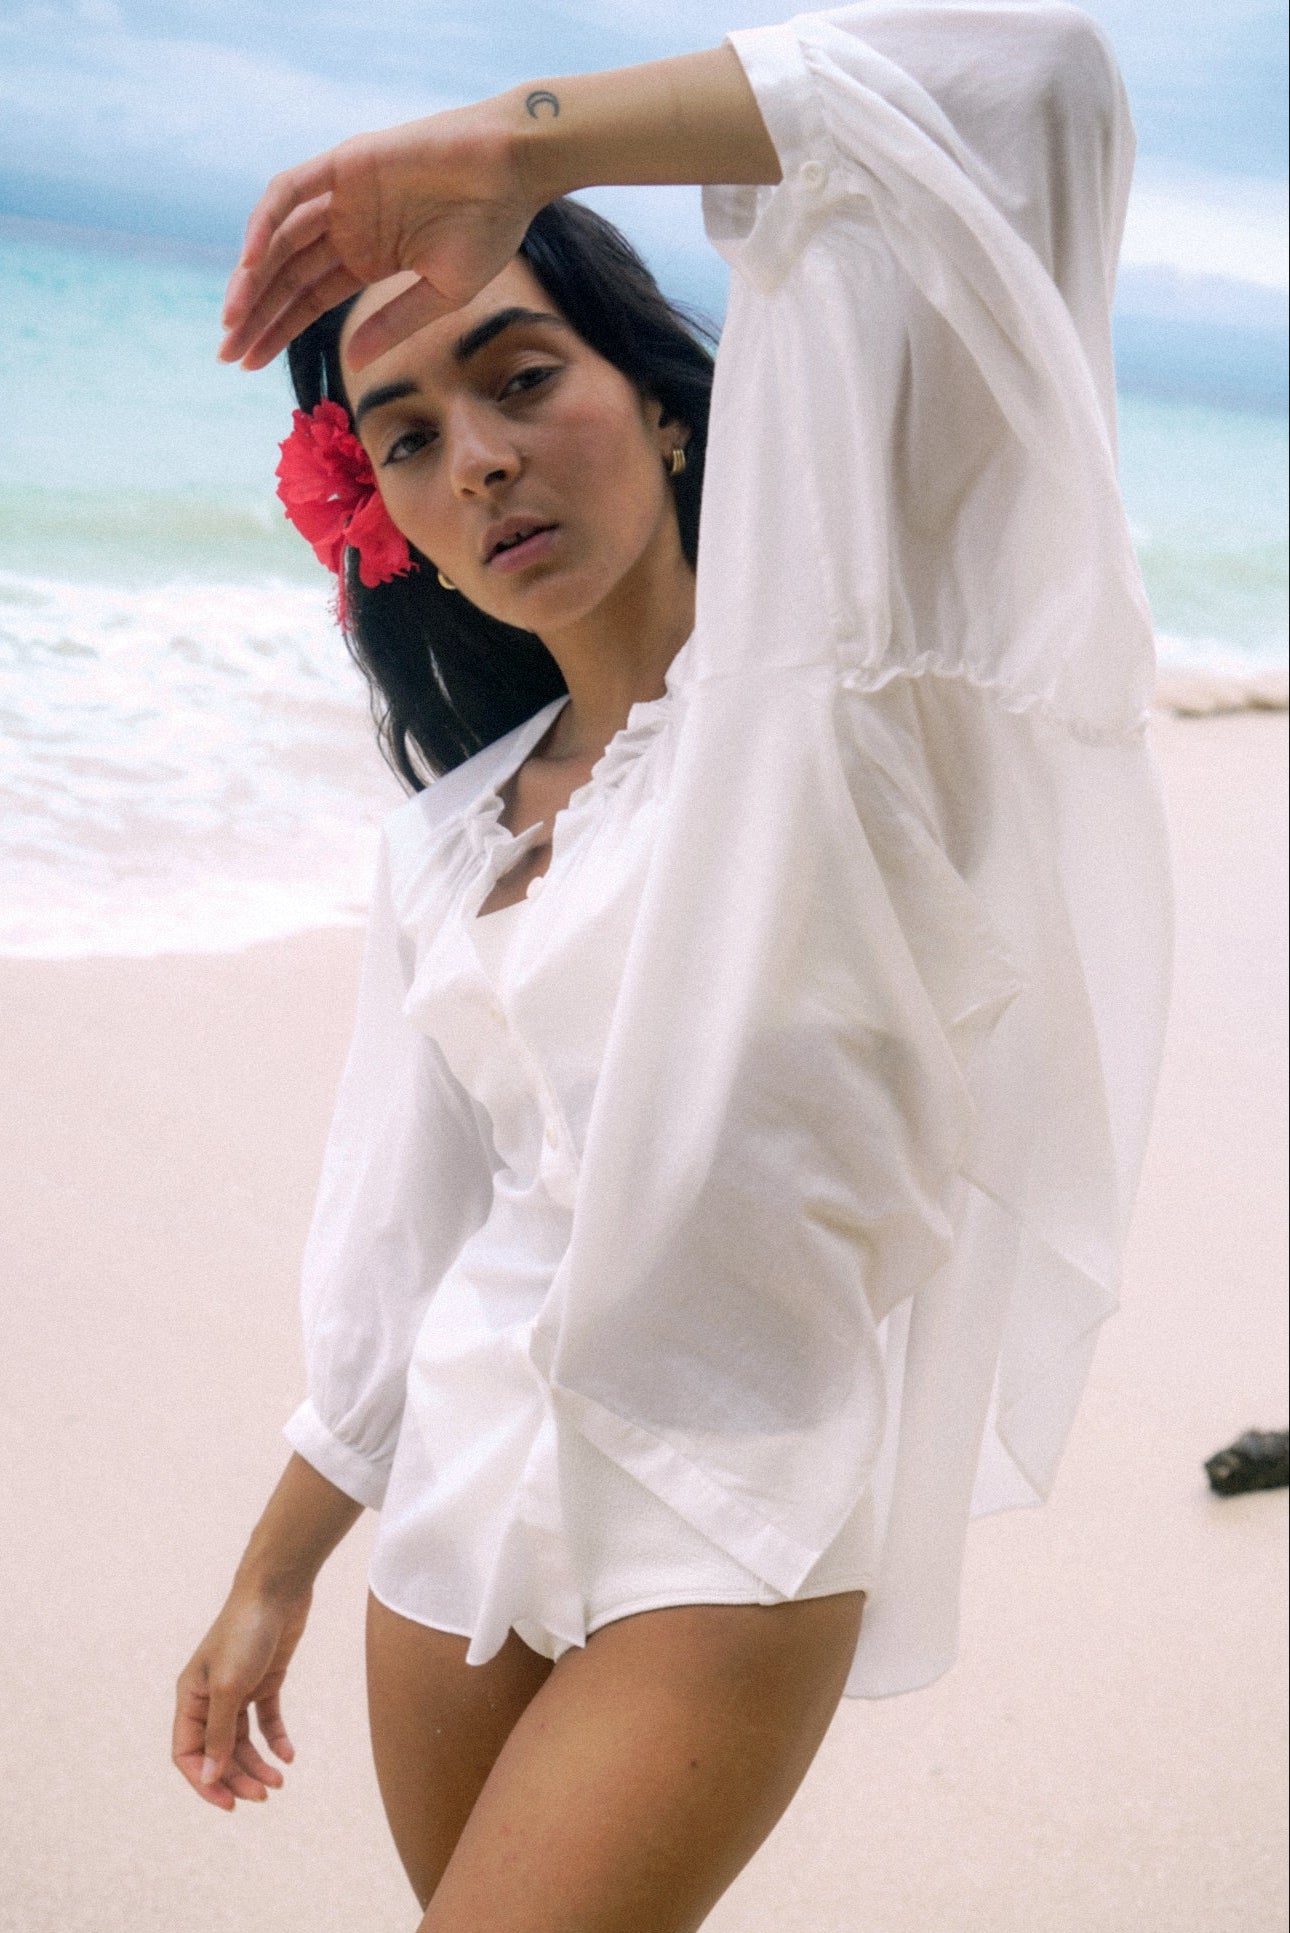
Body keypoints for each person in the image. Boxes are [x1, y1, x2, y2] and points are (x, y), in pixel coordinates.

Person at [172, 6, 1174, 1928]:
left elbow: (1027, 86)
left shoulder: (847, 694)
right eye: (406, 438)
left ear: (663, 400)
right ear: (385, 525)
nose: (475, 460)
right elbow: (407, 1242)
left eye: (520, 375)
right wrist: (276, 1569)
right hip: (451, 1529)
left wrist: (522, 148)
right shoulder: (447, 845)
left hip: (724, 1520)